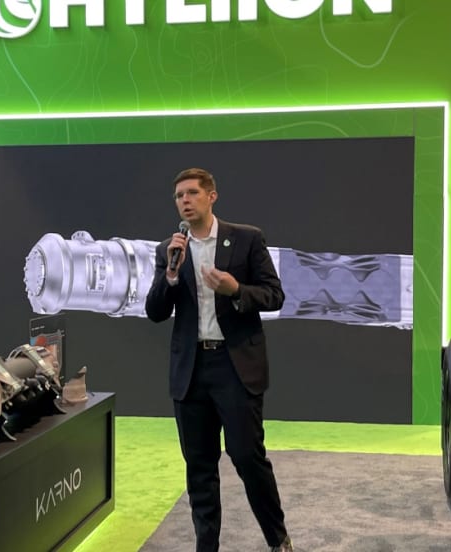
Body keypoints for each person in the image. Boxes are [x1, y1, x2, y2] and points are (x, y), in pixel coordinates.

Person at [145, 168, 294, 552]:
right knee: (199, 466)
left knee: (247, 457)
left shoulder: (246, 239)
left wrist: (236, 289)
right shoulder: (169, 250)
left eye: (192, 193)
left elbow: (274, 295)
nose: (184, 200)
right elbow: (155, 311)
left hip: (235, 366)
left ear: (211, 196)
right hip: (191, 371)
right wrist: (171, 276)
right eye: (179, 196)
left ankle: (278, 540)